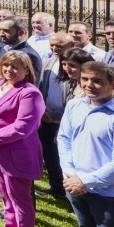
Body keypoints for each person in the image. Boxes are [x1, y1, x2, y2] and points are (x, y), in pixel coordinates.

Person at [58, 61, 114, 227]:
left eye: (97, 81)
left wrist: (84, 181)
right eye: (85, 79)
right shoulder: (74, 105)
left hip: (110, 197)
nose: (89, 85)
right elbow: (64, 139)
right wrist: (70, 172)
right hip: (76, 187)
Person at [0, 50, 45, 227]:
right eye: (6, 65)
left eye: (15, 67)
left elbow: (23, 126)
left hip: (17, 152)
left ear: (26, 69)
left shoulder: (30, 93)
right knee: (5, 195)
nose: (9, 70)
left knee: (20, 200)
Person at [37, 32, 75, 199]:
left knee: (65, 157)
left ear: (70, 45)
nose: (54, 49)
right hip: (48, 118)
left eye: (59, 46)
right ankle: (56, 188)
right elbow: (40, 87)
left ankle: (69, 191)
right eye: (52, 45)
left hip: (66, 120)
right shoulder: (47, 62)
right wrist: (41, 109)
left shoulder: (75, 65)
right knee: (50, 155)